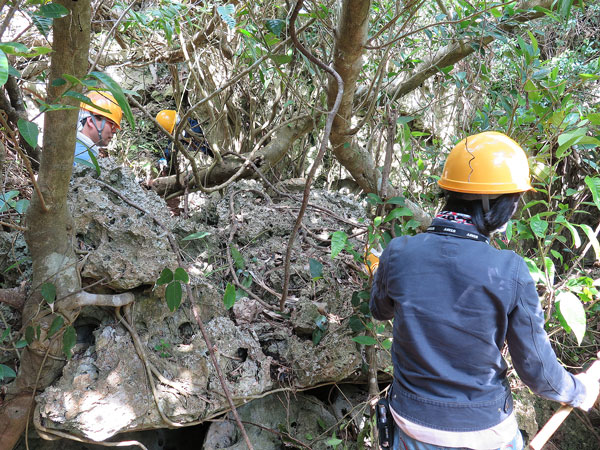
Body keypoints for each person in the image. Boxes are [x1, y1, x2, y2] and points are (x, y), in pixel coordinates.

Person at [370, 131, 599, 450]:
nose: (515, 208)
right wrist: (581, 390)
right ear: (495, 204)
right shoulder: (511, 270)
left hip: (412, 425)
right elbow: (538, 374)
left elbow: (379, 310)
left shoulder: (398, 252)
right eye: (514, 200)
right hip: (483, 431)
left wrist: (384, 270)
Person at [74, 91, 122, 163]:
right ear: (91, 121)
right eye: (112, 125)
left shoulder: (73, 148)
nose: (114, 131)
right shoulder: (83, 158)